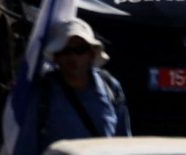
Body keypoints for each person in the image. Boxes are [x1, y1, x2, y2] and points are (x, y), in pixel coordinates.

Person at [7, 18, 129, 153]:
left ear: (91, 54)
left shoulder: (110, 87)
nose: (73, 57)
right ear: (56, 57)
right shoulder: (43, 93)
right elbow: (27, 145)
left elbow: (124, 141)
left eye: (80, 50)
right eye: (65, 51)